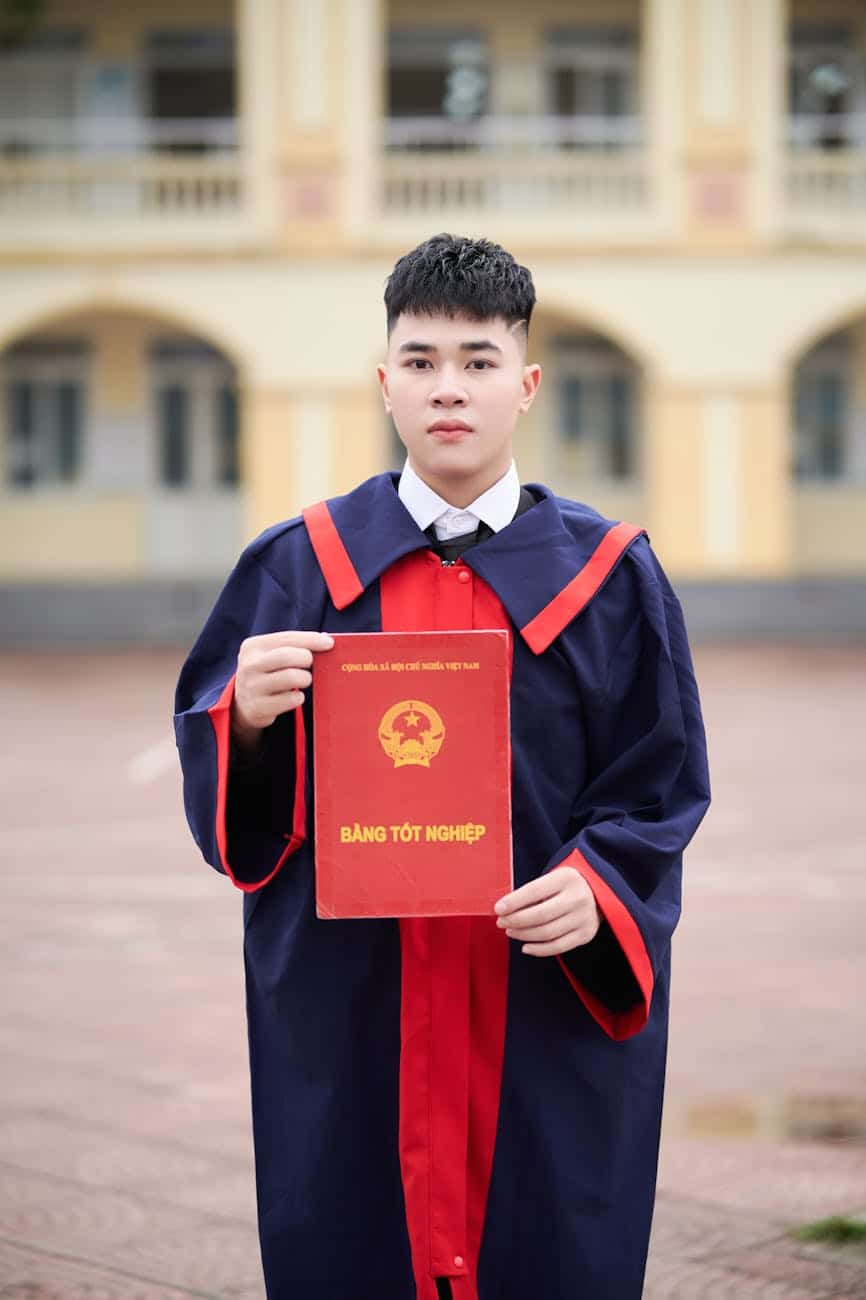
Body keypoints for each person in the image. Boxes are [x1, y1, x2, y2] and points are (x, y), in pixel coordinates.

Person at [174, 233, 711, 1300]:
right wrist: (246, 725)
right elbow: (223, 780)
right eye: (419, 362)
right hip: (354, 994)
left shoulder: (609, 576)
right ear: (384, 385)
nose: (448, 389)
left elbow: (659, 783)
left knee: (545, 1243)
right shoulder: (296, 565)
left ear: (527, 384)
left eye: (477, 361)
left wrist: (598, 888)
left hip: (537, 990)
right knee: (353, 1235)